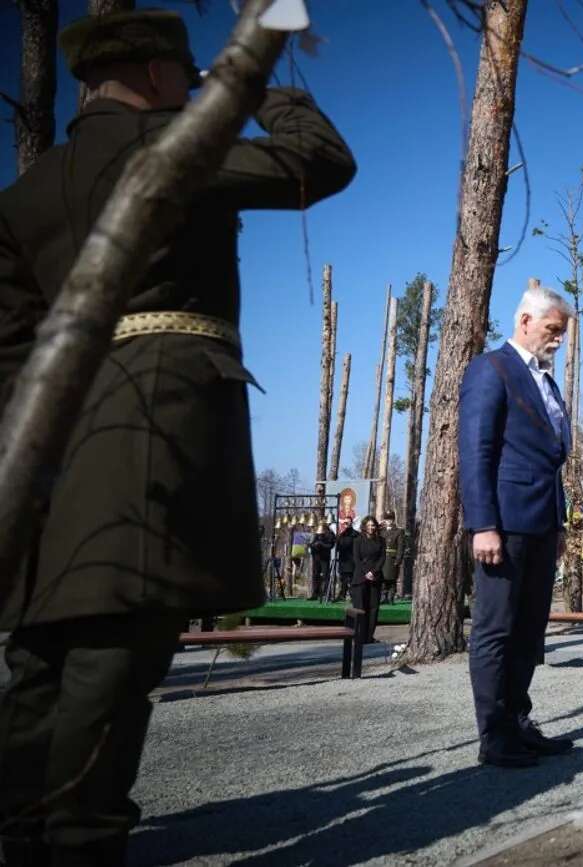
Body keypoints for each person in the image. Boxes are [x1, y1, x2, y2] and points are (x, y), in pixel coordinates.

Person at [0, 9, 355, 865]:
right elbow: (322, 161)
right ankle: (82, 841)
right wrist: (261, 87)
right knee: (111, 660)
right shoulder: (171, 151)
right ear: (160, 75)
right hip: (156, 438)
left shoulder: (26, 193)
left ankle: (20, 837)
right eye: (189, 74)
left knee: (42, 656)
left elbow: (10, 352)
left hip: (50, 449)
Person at [459, 284, 576, 768]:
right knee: (497, 628)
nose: (558, 341)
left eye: (563, 333)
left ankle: (519, 722)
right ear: (525, 321)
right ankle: (495, 736)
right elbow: (476, 451)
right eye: (553, 330)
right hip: (503, 525)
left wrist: (560, 521)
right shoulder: (492, 369)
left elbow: (550, 459)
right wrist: (482, 524)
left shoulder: (545, 380)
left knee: (529, 630)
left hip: (542, 522)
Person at [351, 516, 385, 644]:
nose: (371, 527)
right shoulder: (358, 540)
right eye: (369, 525)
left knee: (373, 608)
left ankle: (369, 637)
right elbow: (356, 559)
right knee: (360, 607)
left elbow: (382, 558)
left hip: (375, 577)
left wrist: (373, 572)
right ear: (364, 526)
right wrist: (366, 572)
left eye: (373, 525)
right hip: (360, 578)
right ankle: (359, 636)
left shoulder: (381, 540)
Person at [379, 510, 406, 603]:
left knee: (392, 578)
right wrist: (378, 526)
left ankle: (391, 596)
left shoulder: (398, 531)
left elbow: (401, 546)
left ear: (393, 520)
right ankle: (383, 596)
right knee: (382, 578)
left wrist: (398, 559)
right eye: (386, 519)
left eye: (390, 519)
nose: (388, 521)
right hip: (382, 558)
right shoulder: (381, 531)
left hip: (392, 558)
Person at [309, 522, 336, 601]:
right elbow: (312, 543)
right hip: (316, 557)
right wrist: (313, 545)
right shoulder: (316, 533)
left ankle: (327, 594)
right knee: (315, 575)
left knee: (326, 576)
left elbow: (330, 545)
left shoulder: (330, 534)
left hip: (324, 558)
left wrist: (321, 543)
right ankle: (315, 593)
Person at [334, 517, 359, 602]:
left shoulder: (356, 534)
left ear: (351, 523)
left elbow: (356, 547)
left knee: (352, 579)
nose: (346, 524)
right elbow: (337, 548)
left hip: (352, 561)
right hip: (343, 560)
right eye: (345, 523)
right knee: (343, 579)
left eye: (348, 523)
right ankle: (342, 595)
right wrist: (337, 540)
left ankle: (353, 596)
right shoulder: (341, 535)